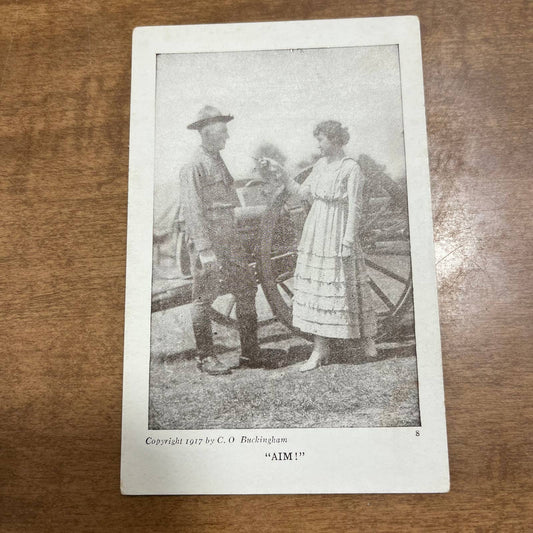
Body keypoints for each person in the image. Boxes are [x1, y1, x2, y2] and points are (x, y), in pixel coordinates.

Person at [264, 120, 377, 372]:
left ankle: (368, 340)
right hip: (317, 229)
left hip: (338, 230)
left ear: (335, 140)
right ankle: (320, 348)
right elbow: (302, 193)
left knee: (346, 283)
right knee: (319, 287)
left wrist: (348, 239)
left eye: (321, 139)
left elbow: (355, 208)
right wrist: (281, 172)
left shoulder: (351, 169)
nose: (318, 143)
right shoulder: (320, 166)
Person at [178, 106, 261, 375]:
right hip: (209, 240)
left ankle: (251, 352)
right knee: (204, 297)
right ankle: (206, 358)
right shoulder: (194, 165)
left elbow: (228, 201)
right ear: (208, 133)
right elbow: (192, 210)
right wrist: (205, 250)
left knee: (247, 288)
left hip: (229, 237)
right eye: (224, 132)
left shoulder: (217, 159)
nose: (228, 136)